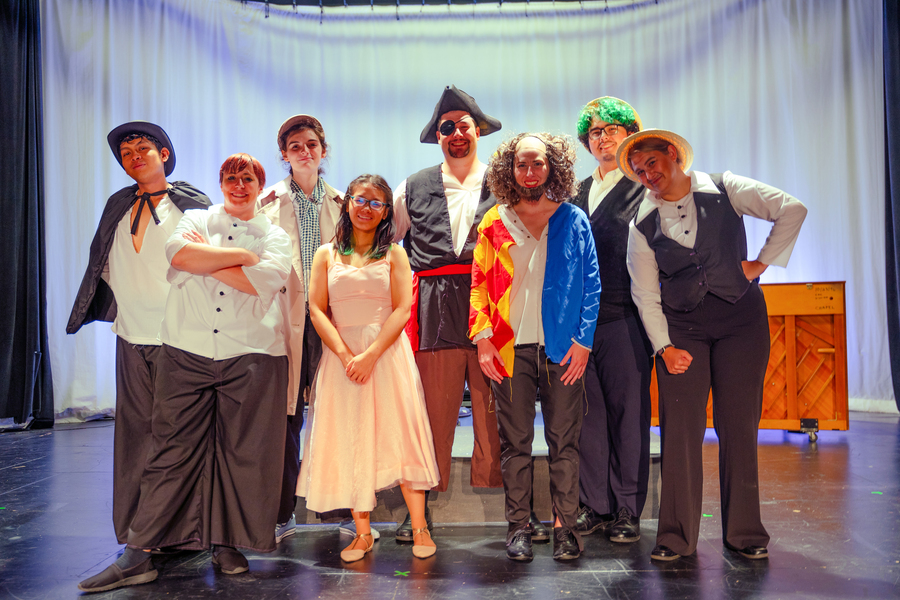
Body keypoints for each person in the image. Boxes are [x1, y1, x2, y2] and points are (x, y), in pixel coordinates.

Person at [78, 154, 292, 592]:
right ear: (221, 182)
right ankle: (139, 553)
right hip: (186, 349)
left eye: (247, 178)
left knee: (240, 454)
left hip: (252, 353)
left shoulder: (276, 235)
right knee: (170, 450)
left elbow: (265, 280)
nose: (238, 184)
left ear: (260, 184)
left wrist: (208, 260)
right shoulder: (195, 217)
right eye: (230, 177)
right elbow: (179, 255)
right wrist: (242, 256)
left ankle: (226, 543)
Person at [620, 129, 807, 561]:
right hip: (682, 329)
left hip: (741, 321)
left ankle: (745, 533)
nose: (647, 175)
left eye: (651, 163)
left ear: (672, 153)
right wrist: (664, 346)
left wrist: (760, 263)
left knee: (739, 426)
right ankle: (675, 537)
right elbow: (644, 292)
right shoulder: (642, 223)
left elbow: (791, 209)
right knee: (680, 432)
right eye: (639, 171)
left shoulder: (725, 188)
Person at [67, 121, 210, 546]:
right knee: (134, 436)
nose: (134, 158)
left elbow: (210, 264)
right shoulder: (118, 205)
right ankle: (138, 530)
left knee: (178, 436)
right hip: (131, 336)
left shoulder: (193, 206)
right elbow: (103, 263)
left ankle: (185, 534)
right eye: (126, 154)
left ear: (163, 154)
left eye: (142, 149)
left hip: (179, 337)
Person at [470, 133, 601, 562]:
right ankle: (519, 527)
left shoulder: (573, 219)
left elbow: (592, 284)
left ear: (553, 167)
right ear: (510, 169)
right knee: (516, 444)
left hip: (563, 349)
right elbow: (479, 285)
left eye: (538, 164)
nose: (530, 172)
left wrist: (583, 342)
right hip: (509, 349)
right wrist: (483, 339)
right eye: (522, 164)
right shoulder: (494, 220)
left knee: (564, 443)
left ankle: (566, 528)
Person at [297, 174, 440, 562]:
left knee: (402, 436)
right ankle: (362, 533)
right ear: (347, 203)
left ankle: (421, 527)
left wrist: (371, 354)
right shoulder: (326, 254)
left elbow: (403, 308)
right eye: (361, 200)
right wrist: (347, 357)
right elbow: (316, 310)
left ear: (386, 212)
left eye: (377, 203)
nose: (367, 208)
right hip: (342, 359)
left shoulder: (394, 253)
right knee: (351, 438)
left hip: (386, 354)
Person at [391, 85, 504, 540]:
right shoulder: (411, 186)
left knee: (498, 410)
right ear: (437, 135)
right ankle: (418, 509)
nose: (456, 134)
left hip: (490, 304)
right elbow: (388, 245)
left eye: (464, 125)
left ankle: (514, 507)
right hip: (433, 306)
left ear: (478, 131)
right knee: (430, 412)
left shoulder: (505, 182)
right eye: (447, 127)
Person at [256, 115, 369, 542]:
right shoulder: (265, 204)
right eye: (295, 146)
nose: (305, 152)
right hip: (281, 321)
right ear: (284, 155)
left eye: (311, 145)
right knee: (284, 418)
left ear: (323, 150)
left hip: (331, 322)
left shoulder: (344, 204)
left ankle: (337, 508)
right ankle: (281, 512)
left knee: (336, 412)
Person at [569, 97, 652, 543]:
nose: (602, 138)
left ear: (630, 134)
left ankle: (626, 509)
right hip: (583, 323)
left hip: (627, 317)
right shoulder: (577, 192)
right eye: (595, 132)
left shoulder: (645, 188)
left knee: (628, 416)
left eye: (612, 129)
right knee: (589, 416)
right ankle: (593, 505)